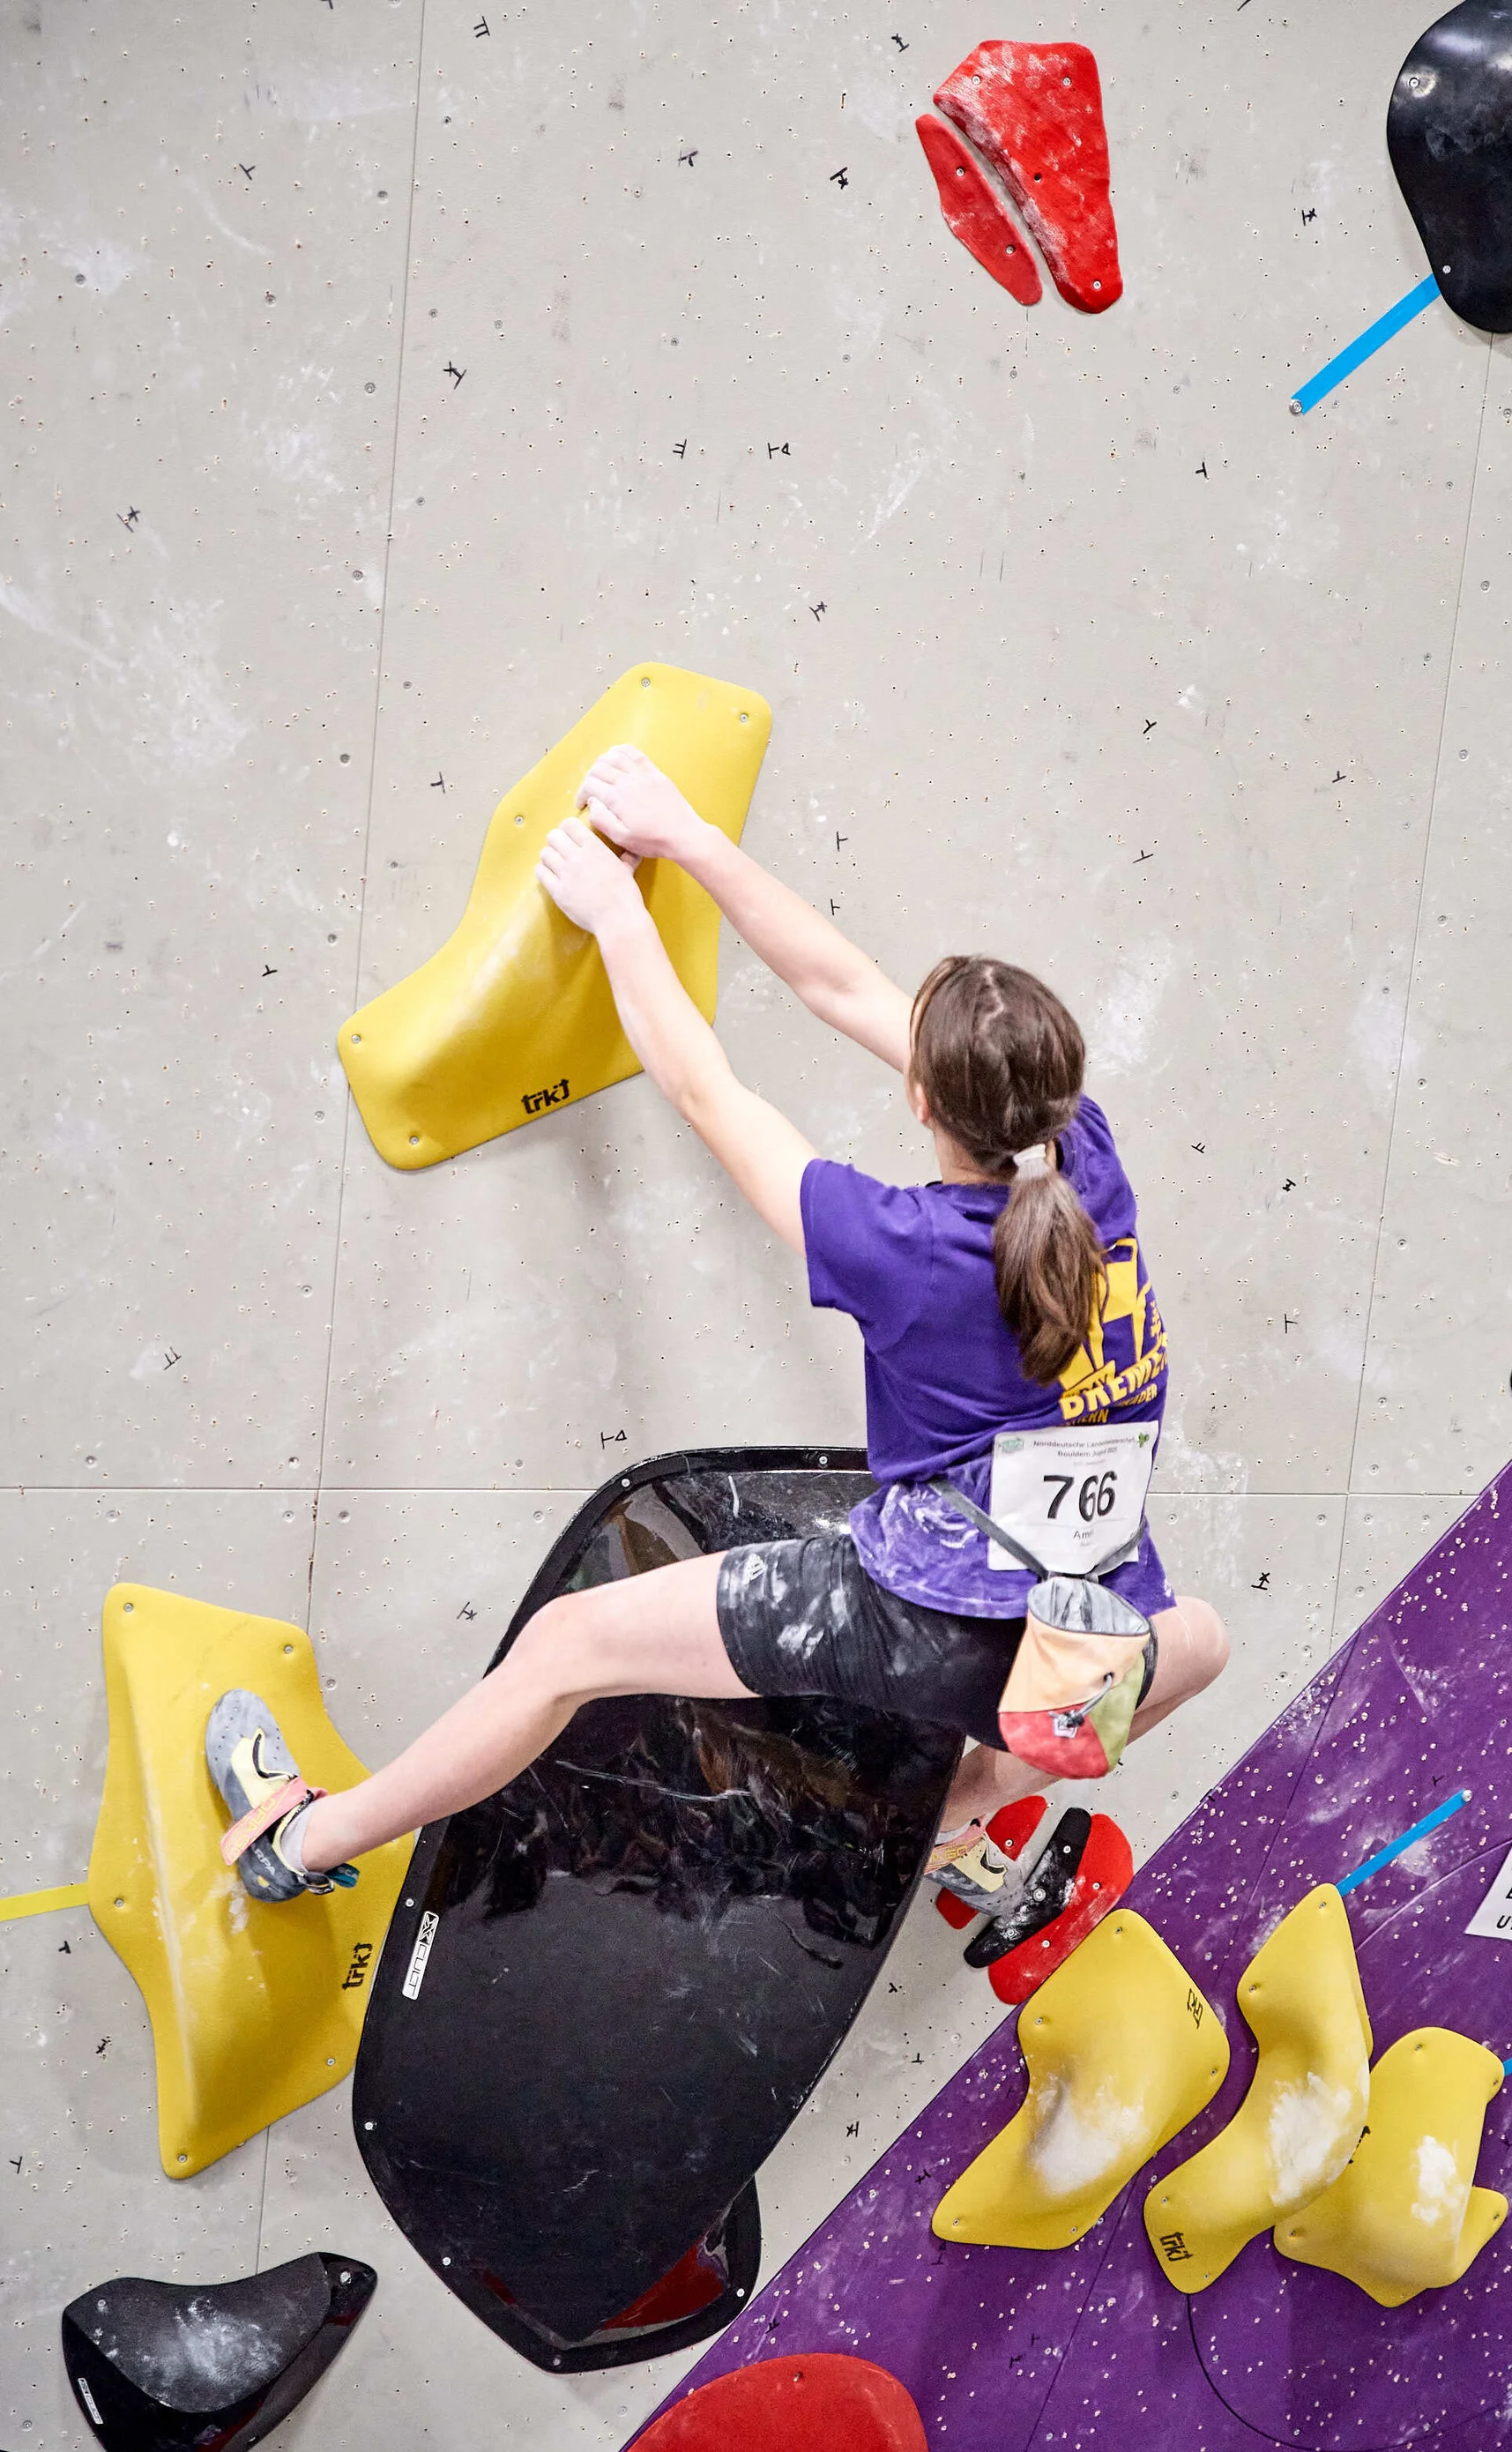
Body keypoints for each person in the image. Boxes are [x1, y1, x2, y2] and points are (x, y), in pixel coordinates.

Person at [208, 749, 1229, 1916]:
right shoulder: (1087, 1165)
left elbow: (705, 1088)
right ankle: (956, 1807)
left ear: (923, 1096)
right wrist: (686, 836)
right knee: (1201, 1640)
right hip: (1076, 1638)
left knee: (566, 1648)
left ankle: (296, 1844)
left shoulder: (899, 1248)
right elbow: (843, 986)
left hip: (926, 1627)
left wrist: (609, 912)